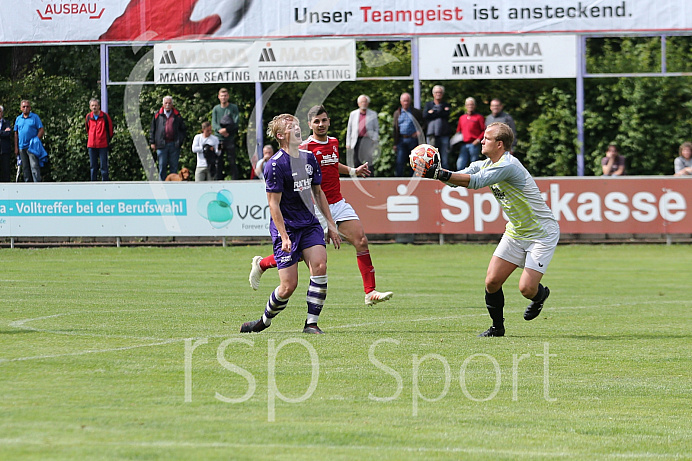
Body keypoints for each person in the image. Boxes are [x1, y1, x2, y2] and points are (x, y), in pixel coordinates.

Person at [414, 122, 559, 337]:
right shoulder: (485, 163)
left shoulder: (508, 165)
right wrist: (436, 173)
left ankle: (540, 296)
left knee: (526, 289)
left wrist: (439, 174)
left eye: (486, 138)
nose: (481, 141)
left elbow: (475, 182)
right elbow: (458, 178)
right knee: (492, 282)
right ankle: (497, 328)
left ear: (499, 144)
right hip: (516, 232)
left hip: (541, 234)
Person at [249, 106, 394, 306]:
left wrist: (353, 170)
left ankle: (369, 292)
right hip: (315, 206)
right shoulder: (304, 148)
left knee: (361, 240)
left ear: (329, 121)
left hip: (337, 202)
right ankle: (263, 263)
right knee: (301, 254)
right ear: (309, 125)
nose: (321, 124)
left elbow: (333, 164)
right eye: (316, 122)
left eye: (324, 120)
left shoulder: (333, 142)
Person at [240, 114, 341, 335]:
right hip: (287, 228)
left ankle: (311, 324)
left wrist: (331, 224)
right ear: (280, 136)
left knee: (320, 267)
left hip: (309, 224)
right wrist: (284, 236)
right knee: (288, 286)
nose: (297, 129)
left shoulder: (309, 158)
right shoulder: (275, 165)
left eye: (297, 125)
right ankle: (264, 321)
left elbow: (318, 192)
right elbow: (273, 205)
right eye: (290, 127)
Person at [150, 96, 186, 181]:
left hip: (174, 144)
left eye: (169, 103)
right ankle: (162, 187)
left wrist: (180, 141)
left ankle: (173, 188)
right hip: (161, 144)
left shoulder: (177, 115)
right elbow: (152, 129)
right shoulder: (158, 114)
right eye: (166, 103)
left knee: (174, 167)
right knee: (162, 166)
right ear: (163, 104)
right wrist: (152, 142)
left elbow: (183, 129)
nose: (167, 105)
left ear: (172, 104)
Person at [211, 87, 240, 180]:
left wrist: (227, 130)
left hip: (230, 138)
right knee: (218, 161)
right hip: (218, 139)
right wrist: (220, 130)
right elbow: (214, 123)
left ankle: (235, 180)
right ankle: (218, 180)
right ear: (218, 97)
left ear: (228, 96)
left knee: (232, 161)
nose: (223, 98)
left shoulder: (233, 108)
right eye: (222, 96)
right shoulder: (216, 109)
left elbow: (236, 121)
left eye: (225, 96)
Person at [393, 92, 424, 177]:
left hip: (413, 140)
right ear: (401, 102)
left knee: (414, 162)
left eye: (407, 101)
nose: (405, 103)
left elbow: (424, 123)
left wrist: (419, 132)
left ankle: (413, 179)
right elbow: (394, 129)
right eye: (404, 101)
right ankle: (398, 180)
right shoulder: (397, 113)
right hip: (401, 140)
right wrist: (395, 143)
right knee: (400, 161)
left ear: (410, 101)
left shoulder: (416, 112)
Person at [346, 94, 379, 170]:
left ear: (368, 103)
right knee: (356, 160)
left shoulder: (373, 114)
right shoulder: (353, 114)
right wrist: (348, 143)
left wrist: (374, 139)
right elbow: (349, 129)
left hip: (368, 140)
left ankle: (370, 178)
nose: (363, 103)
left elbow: (376, 128)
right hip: (356, 140)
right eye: (362, 102)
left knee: (369, 160)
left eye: (365, 102)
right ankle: (358, 177)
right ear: (358, 103)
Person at [14, 100, 44, 182]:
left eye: (27, 106)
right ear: (21, 108)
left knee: (34, 166)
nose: (26, 108)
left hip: (32, 147)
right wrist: (16, 147)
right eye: (24, 107)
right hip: (21, 147)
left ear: (30, 108)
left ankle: (37, 184)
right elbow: (16, 133)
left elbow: (41, 130)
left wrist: (36, 140)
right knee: (25, 167)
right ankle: (27, 185)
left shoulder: (35, 117)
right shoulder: (18, 119)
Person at [423, 85, 452, 169]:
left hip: (444, 134)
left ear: (442, 94)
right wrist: (440, 112)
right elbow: (425, 115)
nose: (438, 94)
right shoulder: (428, 104)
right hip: (432, 134)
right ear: (433, 94)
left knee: (444, 157)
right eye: (436, 92)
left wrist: (433, 112)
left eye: (440, 92)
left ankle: (446, 178)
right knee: (431, 157)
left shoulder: (446, 104)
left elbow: (447, 114)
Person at [85, 98, 113, 181]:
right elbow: (87, 129)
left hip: (102, 145)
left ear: (99, 106)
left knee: (103, 166)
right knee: (93, 166)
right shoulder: (88, 117)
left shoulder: (105, 116)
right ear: (90, 107)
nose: (94, 107)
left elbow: (110, 130)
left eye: (96, 105)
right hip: (91, 145)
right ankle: (93, 184)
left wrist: (107, 140)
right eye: (92, 106)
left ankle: (105, 183)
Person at [455, 97, 485, 170]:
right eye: (468, 105)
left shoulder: (479, 117)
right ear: (465, 106)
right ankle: (459, 180)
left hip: (474, 144)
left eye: (472, 104)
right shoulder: (462, 118)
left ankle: (475, 180)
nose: (470, 106)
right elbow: (458, 131)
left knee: (474, 166)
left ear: (475, 106)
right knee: (460, 165)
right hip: (463, 144)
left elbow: (484, 130)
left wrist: (478, 140)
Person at [0, 106, 12, 182]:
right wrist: (3, 132)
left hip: (5, 150)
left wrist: (4, 132)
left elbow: (8, 133)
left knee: (6, 171)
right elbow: (5, 133)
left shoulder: (6, 122)